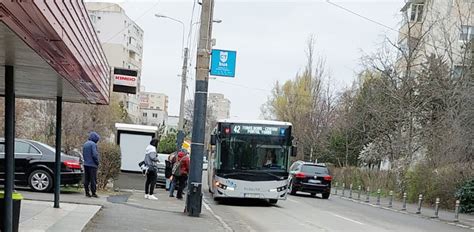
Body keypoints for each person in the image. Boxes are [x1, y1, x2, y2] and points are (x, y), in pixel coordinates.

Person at [83, 131, 100, 198]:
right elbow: (94, 154)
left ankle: (87, 192)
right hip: (92, 165)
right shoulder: (93, 144)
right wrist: (97, 162)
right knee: (93, 179)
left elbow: (84, 154)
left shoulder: (85, 144)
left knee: (86, 179)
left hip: (86, 164)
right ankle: (93, 193)